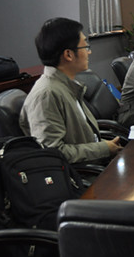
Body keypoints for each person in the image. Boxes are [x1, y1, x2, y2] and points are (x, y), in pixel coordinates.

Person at [20, 17, 122, 164]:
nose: (89, 52)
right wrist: (103, 149)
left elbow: (80, 136)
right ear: (68, 54)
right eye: (85, 47)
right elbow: (53, 153)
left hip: (95, 161)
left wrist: (105, 146)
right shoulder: (47, 94)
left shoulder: (67, 84)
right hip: (82, 173)